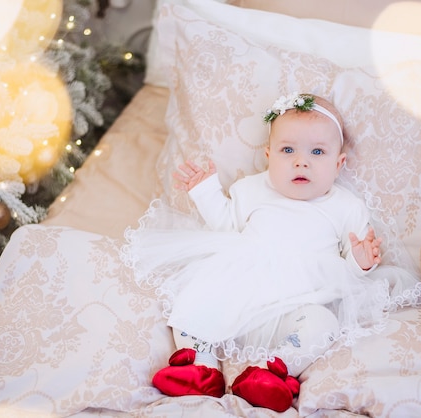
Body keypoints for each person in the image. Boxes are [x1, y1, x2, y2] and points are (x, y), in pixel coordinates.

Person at [123, 93, 389, 412]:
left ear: (338, 163)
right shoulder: (253, 189)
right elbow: (225, 225)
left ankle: (270, 372)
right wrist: (205, 191)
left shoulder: (345, 207)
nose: (300, 161)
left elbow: (350, 270)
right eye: (287, 150)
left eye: (317, 151)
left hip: (300, 304)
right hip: (241, 290)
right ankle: (202, 368)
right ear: (268, 155)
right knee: (192, 299)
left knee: (324, 325)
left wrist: (360, 262)